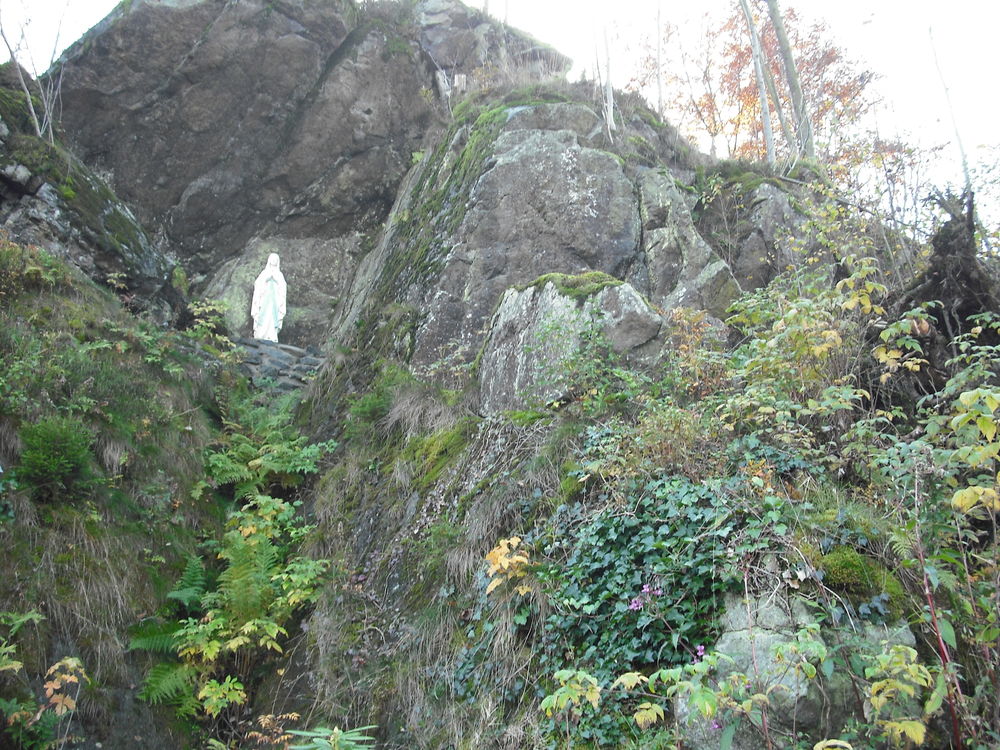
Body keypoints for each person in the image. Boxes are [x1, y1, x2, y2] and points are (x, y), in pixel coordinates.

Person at [251, 253, 287, 342]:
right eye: (272, 259)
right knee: (263, 315)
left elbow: (283, 286)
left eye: (276, 259)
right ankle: (261, 334)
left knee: (272, 317)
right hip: (264, 300)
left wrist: (276, 279)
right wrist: (267, 278)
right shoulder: (264, 273)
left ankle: (271, 335)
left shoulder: (279, 274)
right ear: (269, 260)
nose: (274, 261)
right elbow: (258, 283)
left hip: (274, 301)